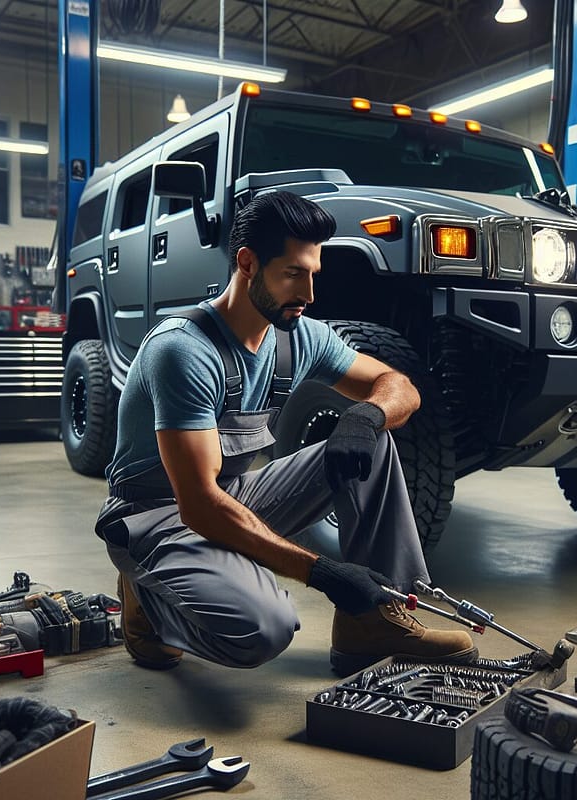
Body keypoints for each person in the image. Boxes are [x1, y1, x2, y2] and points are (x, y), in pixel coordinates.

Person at [94, 190, 477, 677]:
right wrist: (324, 572)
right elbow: (198, 505)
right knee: (264, 629)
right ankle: (149, 601)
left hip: (231, 494)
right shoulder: (183, 350)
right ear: (248, 263)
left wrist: (363, 418)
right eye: (294, 273)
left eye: (313, 273)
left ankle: (372, 623)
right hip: (158, 516)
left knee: (374, 444)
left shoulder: (298, 335)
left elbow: (399, 386)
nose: (309, 293)